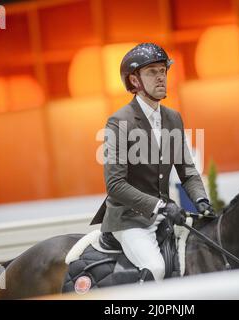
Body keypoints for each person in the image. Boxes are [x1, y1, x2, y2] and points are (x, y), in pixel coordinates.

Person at [90, 43, 213, 282]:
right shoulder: (118, 121)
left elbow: (187, 171)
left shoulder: (173, 118)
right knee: (155, 267)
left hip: (164, 215)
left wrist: (201, 201)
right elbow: (115, 184)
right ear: (135, 81)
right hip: (129, 218)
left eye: (162, 71)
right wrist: (161, 206)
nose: (160, 78)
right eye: (151, 72)